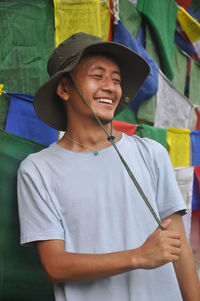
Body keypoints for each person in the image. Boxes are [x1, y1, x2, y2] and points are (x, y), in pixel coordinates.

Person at [17, 32, 200, 301]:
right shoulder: (38, 170)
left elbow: (178, 247)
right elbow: (55, 266)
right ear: (64, 88)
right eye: (97, 76)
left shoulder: (151, 154)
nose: (111, 87)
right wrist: (139, 256)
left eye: (116, 79)